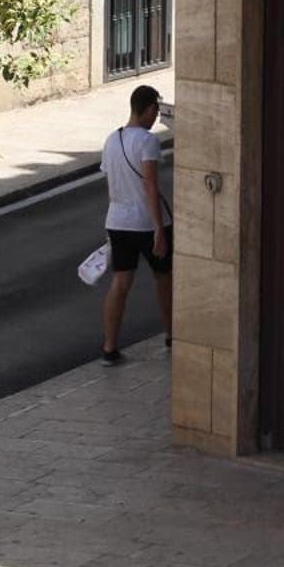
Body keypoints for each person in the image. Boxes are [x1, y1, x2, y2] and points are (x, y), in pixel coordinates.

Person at [101, 84, 172, 365]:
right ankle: (172, 334)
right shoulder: (147, 141)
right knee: (164, 277)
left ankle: (109, 348)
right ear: (150, 108)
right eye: (156, 110)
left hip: (117, 220)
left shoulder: (111, 140)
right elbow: (150, 185)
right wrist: (159, 229)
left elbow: (111, 184)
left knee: (120, 282)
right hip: (146, 222)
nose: (156, 117)